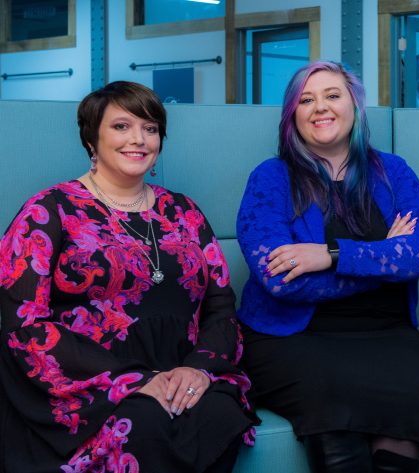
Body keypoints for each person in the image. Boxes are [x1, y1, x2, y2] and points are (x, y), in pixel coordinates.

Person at [0, 81, 256, 472]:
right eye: (121, 126)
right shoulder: (49, 212)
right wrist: (130, 380)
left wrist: (198, 368)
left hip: (180, 370)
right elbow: (24, 324)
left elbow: (220, 304)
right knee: (144, 423)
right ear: (91, 139)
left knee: (218, 411)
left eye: (150, 128)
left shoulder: (184, 211)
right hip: (86, 383)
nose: (138, 139)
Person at [236, 61, 419, 473]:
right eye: (306, 100)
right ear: (292, 114)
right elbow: (279, 281)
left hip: (388, 336)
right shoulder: (270, 178)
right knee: (330, 399)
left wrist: (329, 254)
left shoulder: (393, 171)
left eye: (332, 95)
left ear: (354, 106)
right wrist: (383, 258)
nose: (319, 108)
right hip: (294, 338)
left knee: (406, 405)